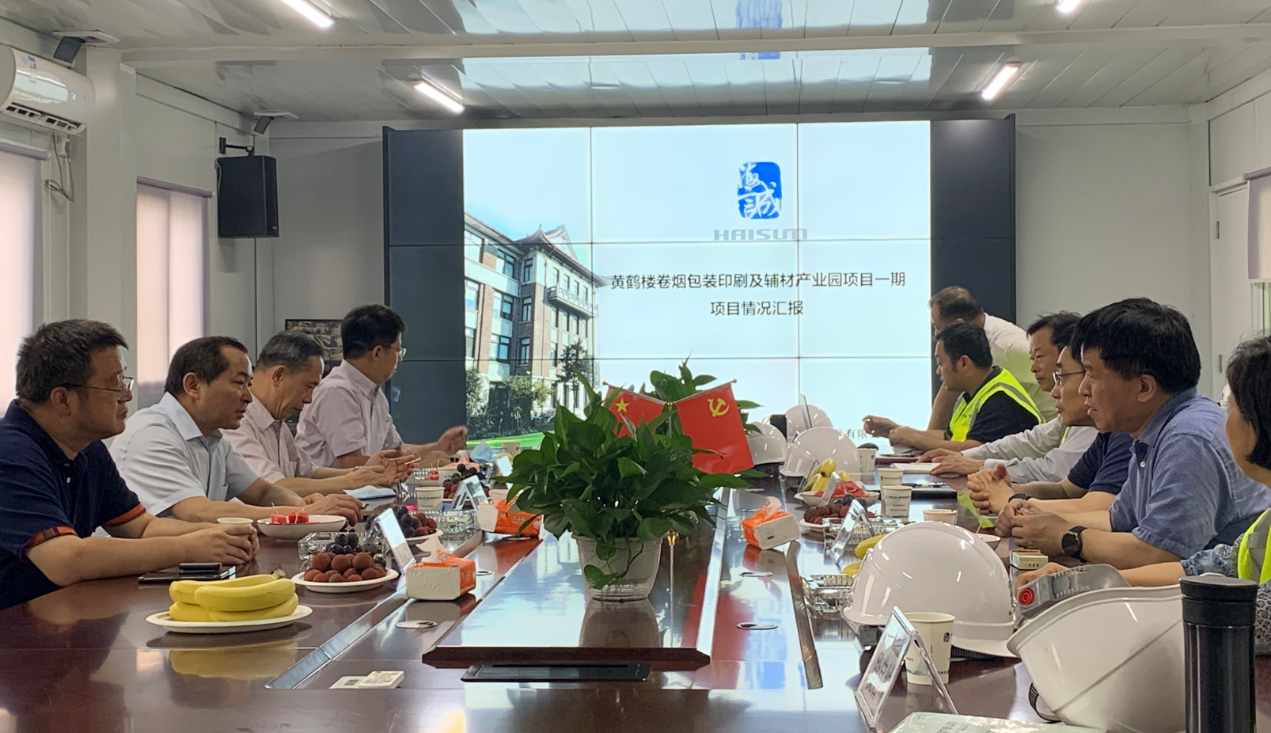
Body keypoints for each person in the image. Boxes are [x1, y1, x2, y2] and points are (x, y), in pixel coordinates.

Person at [1018, 336, 1271, 653]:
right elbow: (1204, 568)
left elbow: (1255, 620)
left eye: (1232, 408)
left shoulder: (1189, 438)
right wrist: (1080, 581)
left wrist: (1071, 548)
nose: (1084, 389)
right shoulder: (1148, 437)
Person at [0, 321, 258, 611]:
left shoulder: (88, 449)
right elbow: (66, 559)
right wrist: (190, 547)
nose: (127, 395)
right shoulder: (10, 453)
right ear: (62, 399)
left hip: (57, 616)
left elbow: (142, 527)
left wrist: (219, 536)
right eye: (115, 384)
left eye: (126, 381)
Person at [995, 299, 1270, 569]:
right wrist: (1037, 517)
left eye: (1091, 374)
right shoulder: (1152, 432)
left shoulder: (1188, 439)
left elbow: (1160, 554)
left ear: (1144, 387)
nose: (1083, 389)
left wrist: (1067, 537)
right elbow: (1117, 521)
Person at [111, 336, 364, 524]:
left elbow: (262, 491)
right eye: (239, 383)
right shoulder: (152, 434)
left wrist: (302, 503)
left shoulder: (214, 438)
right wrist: (302, 514)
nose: (248, 397)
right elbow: (198, 512)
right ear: (193, 385)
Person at [224, 331, 415, 496]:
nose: (309, 399)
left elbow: (309, 472)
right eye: (308, 387)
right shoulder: (237, 423)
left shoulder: (275, 421)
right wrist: (355, 481)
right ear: (278, 375)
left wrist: (364, 473)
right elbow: (271, 488)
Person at [922, 313, 1096, 482]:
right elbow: (1032, 441)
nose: (1033, 367)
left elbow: (1054, 471)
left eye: (1039, 357)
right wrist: (965, 457)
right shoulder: (967, 396)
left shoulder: (1093, 420)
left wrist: (980, 465)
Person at [296, 305, 467, 469]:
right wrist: (417, 467)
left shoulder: (374, 393)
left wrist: (437, 447)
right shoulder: (336, 392)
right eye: (398, 351)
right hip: (332, 490)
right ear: (377, 353)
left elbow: (396, 451)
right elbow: (354, 464)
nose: (400, 359)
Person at [966, 346, 1134, 513]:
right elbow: (1065, 490)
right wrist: (1011, 489)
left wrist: (1013, 500)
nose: (1055, 392)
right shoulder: (1108, 435)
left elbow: (1097, 509)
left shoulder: (1126, 436)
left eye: (1061, 378)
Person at [863, 323, 1041, 453]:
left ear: (964, 363)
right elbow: (949, 438)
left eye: (941, 363)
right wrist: (896, 430)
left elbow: (973, 450)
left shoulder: (1001, 399)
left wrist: (915, 439)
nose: (938, 371)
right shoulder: (972, 393)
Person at [925, 287, 1056, 429]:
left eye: (937, 328)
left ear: (958, 324)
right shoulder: (971, 340)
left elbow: (1060, 372)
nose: (936, 334)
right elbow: (950, 388)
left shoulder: (1008, 347)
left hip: (1046, 428)